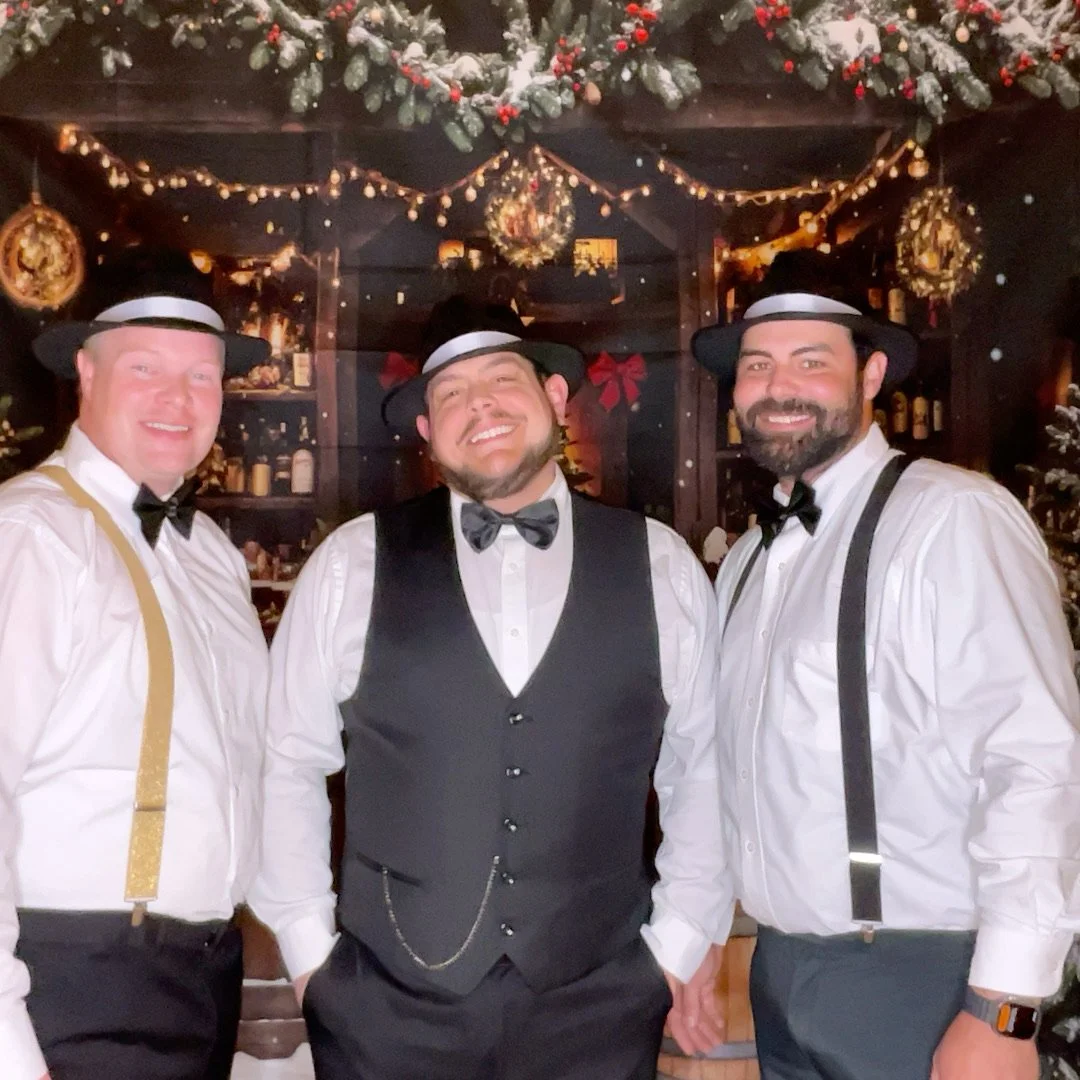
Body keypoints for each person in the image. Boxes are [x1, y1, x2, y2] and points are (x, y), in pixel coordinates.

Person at [249, 295, 730, 1079]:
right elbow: (287, 762)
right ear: (427, 429)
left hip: (601, 1006)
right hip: (387, 1010)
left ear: (554, 396)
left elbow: (702, 765)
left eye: (503, 378)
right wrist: (312, 961)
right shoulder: (350, 563)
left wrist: (675, 948)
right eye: (451, 393)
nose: (481, 405)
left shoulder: (662, 563)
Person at [686, 254, 1080, 1080]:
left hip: (921, 980)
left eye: (810, 360)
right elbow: (728, 772)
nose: (778, 386)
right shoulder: (750, 559)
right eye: (757, 365)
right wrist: (700, 938)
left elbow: (1036, 763)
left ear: (870, 375)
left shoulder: (951, 519)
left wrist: (1004, 1007)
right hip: (781, 973)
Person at [0, 248, 271, 1080]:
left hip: (201, 977)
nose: (176, 399)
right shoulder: (31, 535)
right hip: (68, 982)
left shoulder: (212, 555)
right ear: (86, 371)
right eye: (145, 367)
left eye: (201, 376)